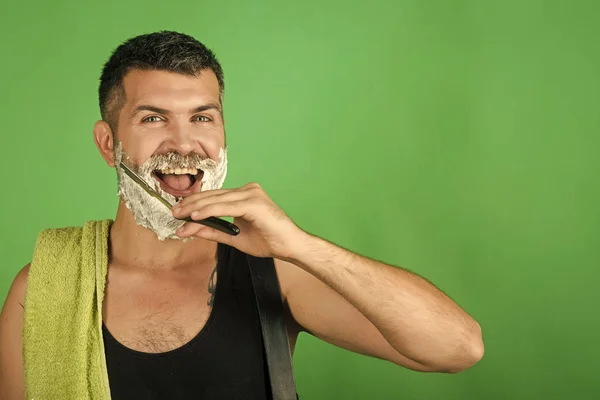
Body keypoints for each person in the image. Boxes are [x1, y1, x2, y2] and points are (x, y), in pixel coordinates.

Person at [0, 31, 484, 399]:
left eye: (202, 117)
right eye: (153, 118)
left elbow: (458, 348)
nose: (184, 143)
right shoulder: (44, 287)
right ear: (110, 144)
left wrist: (298, 245)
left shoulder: (276, 272)